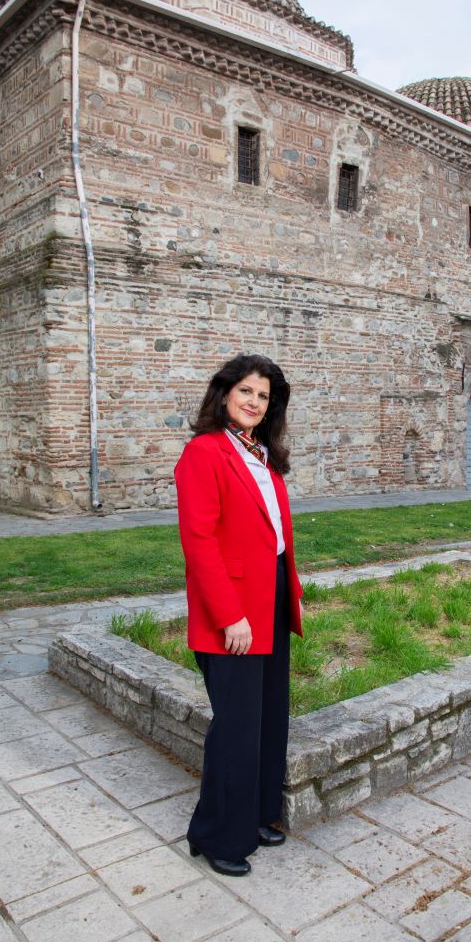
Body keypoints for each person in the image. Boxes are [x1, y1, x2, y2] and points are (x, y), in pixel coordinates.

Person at [174, 353, 303, 877]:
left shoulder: (262, 455)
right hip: (231, 606)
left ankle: (256, 814)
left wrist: (289, 593)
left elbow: (272, 534)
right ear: (225, 393)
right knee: (237, 725)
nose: (254, 402)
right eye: (246, 391)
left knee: (269, 716)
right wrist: (230, 615)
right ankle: (216, 836)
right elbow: (199, 541)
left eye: (263, 396)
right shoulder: (203, 452)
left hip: (271, 595)